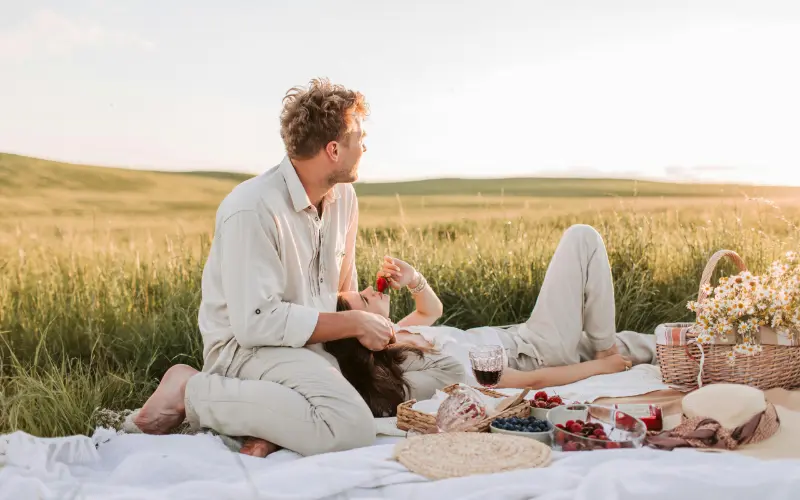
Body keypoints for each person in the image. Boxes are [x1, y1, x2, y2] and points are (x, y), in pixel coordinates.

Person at [131, 79, 464, 458]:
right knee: (349, 426)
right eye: (360, 137)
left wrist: (370, 319)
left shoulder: (344, 199)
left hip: (313, 345)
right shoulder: (251, 209)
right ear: (334, 149)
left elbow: (340, 291)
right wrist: (355, 324)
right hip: (248, 349)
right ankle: (189, 389)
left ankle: (273, 423)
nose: (365, 146)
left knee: (446, 373)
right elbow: (256, 323)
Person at [332, 224, 657, 391]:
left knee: (649, 344)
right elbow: (530, 381)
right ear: (362, 332)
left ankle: (701, 345)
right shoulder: (413, 365)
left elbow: (431, 310)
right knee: (581, 238)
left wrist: (414, 278)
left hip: (523, 336)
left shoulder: (399, 333)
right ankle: (603, 349)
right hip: (537, 353)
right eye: (363, 300)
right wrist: (602, 367)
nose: (368, 290)